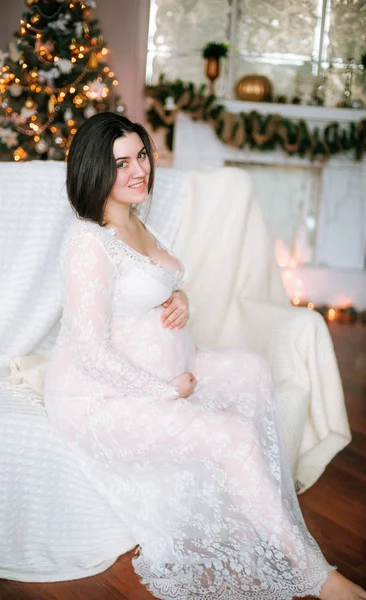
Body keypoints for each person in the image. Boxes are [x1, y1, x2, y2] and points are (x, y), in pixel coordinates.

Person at [43, 112, 366, 600]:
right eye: (122, 162)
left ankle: (248, 509)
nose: (139, 170)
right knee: (231, 434)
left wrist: (181, 299)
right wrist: (165, 391)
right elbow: (90, 353)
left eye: (142, 155)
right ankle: (314, 574)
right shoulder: (88, 242)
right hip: (100, 397)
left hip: (168, 363)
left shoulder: (136, 221)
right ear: (93, 170)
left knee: (252, 367)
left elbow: (157, 282)